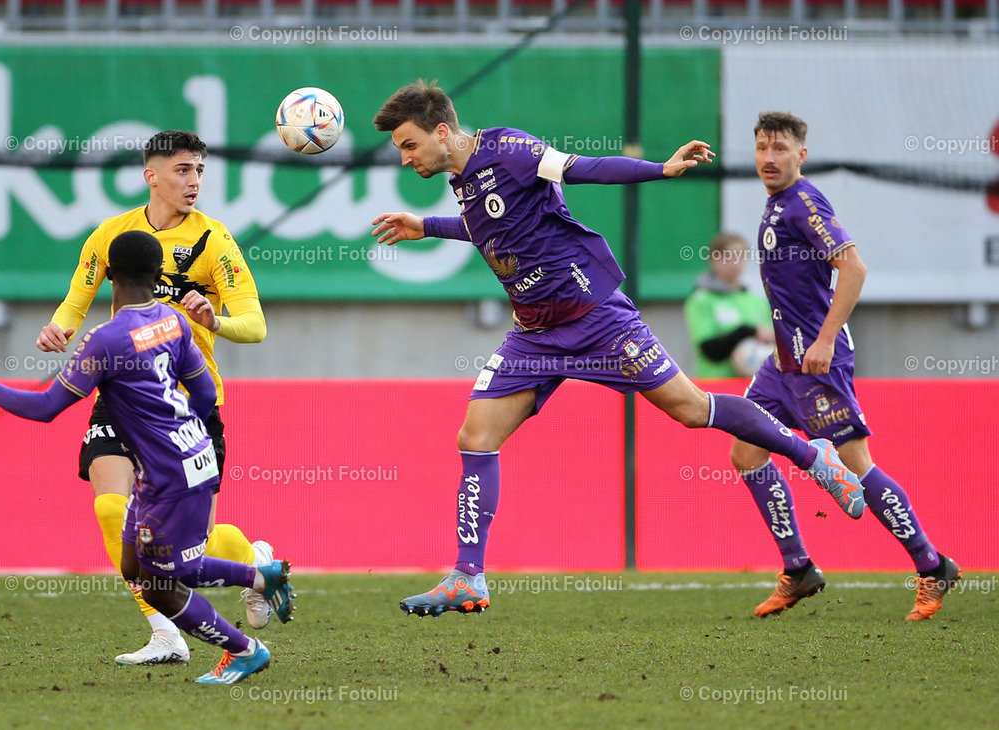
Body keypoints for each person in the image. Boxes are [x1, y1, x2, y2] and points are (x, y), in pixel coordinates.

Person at [370, 80, 866, 618]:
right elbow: (492, 225)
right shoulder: (460, 179)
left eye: (409, 143)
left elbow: (588, 167)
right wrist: (428, 226)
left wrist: (661, 169)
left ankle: (812, 456)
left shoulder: (510, 150)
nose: (404, 158)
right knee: (475, 435)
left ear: (442, 131)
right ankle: (468, 576)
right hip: (535, 334)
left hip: (595, 318)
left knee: (693, 409)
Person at [0, 231, 295, 684]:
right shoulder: (175, 320)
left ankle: (245, 649)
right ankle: (261, 577)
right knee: (135, 566)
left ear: (109, 274)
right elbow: (203, 393)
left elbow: (47, 408)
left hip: (169, 474)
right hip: (189, 453)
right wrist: (178, 437)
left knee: (166, 582)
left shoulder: (104, 340)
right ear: (155, 271)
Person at [35, 130, 275, 664]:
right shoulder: (111, 235)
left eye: (199, 171)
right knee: (109, 507)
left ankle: (257, 562)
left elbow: (256, 325)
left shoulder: (215, 242)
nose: (194, 182)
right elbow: (78, 299)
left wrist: (217, 320)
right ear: (152, 176)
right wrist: (58, 328)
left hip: (186, 403)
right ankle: (164, 632)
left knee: (187, 554)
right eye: (183, 171)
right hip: (121, 392)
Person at [732, 112, 959, 620]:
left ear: (801, 155)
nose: (769, 158)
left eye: (781, 149)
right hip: (781, 363)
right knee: (746, 453)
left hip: (816, 363)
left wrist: (826, 339)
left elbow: (853, 267)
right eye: (762, 148)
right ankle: (798, 569)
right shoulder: (776, 204)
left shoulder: (805, 202)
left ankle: (932, 564)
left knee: (859, 467)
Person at [684, 232, 775, 378]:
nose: (734, 263)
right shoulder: (701, 300)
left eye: (740, 256)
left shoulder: (756, 301)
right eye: (727, 256)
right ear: (713, 260)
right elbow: (710, 350)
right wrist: (747, 332)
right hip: (716, 385)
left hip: (754, 386)